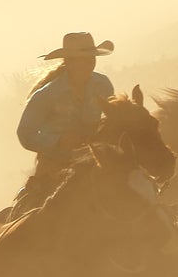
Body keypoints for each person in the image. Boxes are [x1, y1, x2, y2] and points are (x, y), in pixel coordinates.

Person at [16, 32, 116, 177]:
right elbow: (25, 133)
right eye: (84, 59)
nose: (90, 63)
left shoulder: (103, 84)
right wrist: (58, 140)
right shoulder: (47, 94)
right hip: (56, 164)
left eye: (92, 58)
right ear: (69, 62)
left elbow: (111, 117)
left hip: (95, 160)